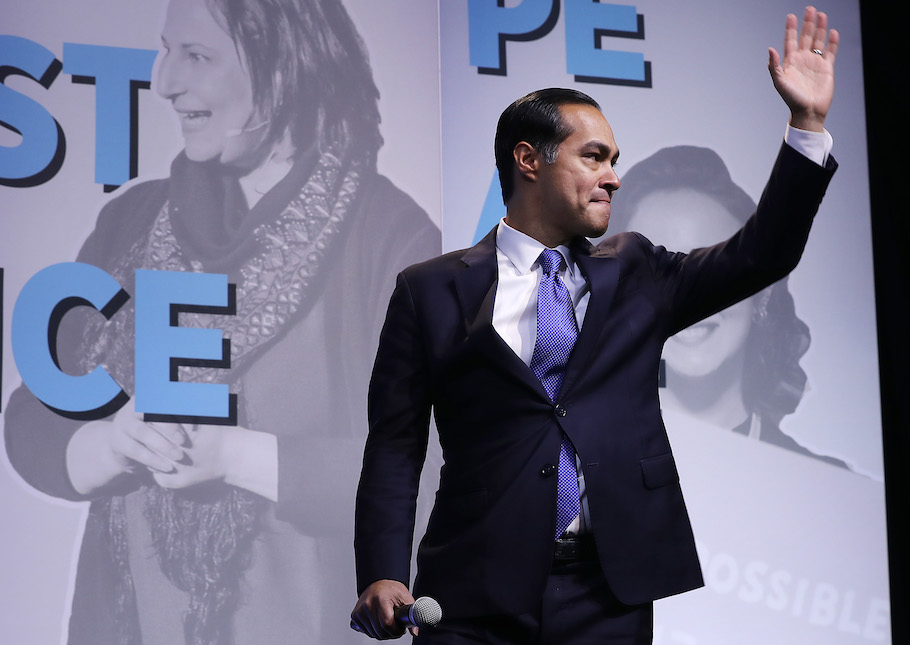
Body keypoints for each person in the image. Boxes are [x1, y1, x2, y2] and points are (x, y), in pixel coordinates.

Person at [351, 7, 838, 644]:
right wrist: (383, 572)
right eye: (594, 157)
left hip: (607, 595)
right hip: (472, 595)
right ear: (529, 159)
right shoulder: (429, 289)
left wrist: (805, 127)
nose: (613, 175)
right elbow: (395, 442)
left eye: (615, 159)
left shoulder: (636, 271)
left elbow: (762, 253)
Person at [3, 0, 438, 643]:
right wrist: (111, 444)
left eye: (197, 56)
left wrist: (235, 457)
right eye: (166, 49)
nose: (164, 80)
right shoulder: (132, 223)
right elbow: (33, 420)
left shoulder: (387, 238)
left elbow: (431, 473)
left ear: (284, 66)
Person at [606, 145, 848, 469]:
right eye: (658, 271)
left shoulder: (826, 484)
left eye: (712, 266)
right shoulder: (568, 478)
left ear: (760, 294)